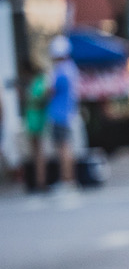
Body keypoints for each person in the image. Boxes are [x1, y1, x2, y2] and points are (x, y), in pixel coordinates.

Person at [46, 35, 80, 192]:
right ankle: (69, 179)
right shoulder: (71, 68)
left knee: (63, 149)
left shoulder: (61, 71)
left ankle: (67, 181)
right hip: (68, 113)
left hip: (60, 114)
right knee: (67, 148)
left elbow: (49, 91)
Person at [23, 65, 51, 192]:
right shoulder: (38, 82)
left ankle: (40, 181)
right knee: (37, 152)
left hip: (36, 120)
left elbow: (37, 99)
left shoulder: (38, 82)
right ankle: (39, 181)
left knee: (38, 152)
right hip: (34, 120)